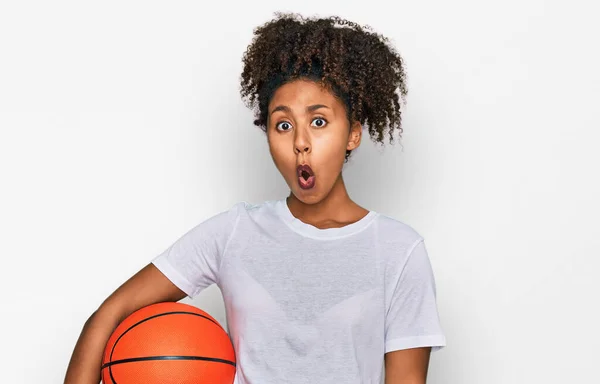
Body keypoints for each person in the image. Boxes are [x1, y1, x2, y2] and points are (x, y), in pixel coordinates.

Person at [64, 12, 446, 384]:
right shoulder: (234, 232)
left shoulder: (399, 249)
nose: (300, 143)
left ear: (353, 134)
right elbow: (108, 315)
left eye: (319, 121)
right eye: (283, 125)